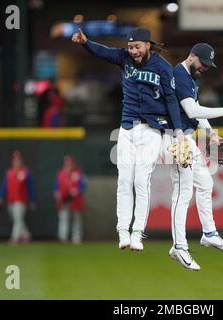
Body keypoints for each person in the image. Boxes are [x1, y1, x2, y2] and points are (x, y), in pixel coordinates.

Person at [72, 27, 185, 251]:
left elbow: (171, 99)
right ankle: (123, 230)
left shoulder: (162, 67)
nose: (132, 51)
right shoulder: (124, 58)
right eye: (130, 47)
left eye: (136, 46)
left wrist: (179, 131)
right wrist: (86, 42)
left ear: (147, 45)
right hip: (126, 128)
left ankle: (137, 233)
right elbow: (103, 52)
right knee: (124, 180)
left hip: (152, 130)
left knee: (141, 181)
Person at [169, 43, 223, 270]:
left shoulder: (191, 77)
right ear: (192, 56)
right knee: (182, 194)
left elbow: (196, 109)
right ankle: (179, 246)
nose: (205, 67)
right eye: (203, 63)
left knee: (205, 182)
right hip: (174, 138)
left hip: (186, 138)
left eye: (208, 65)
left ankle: (209, 233)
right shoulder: (180, 75)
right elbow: (191, 111)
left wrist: (210, 133)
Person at [0, 151, 35, 244]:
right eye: (14, 160)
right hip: (11, 199)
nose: (16, 162)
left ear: (22, 161)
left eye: (18, 160)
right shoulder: (9, 172)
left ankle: (15, 238)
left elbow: (31, 188)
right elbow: (4, 186)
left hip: (21, 200)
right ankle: (26, 235)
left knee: (18, 218)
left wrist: (32, 200)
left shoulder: (26, 172)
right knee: (16, 219)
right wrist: (0, 196)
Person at [54, 155, 87, 244]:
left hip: (75, 200)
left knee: (76, 219)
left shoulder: (78, 173)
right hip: (64, 200)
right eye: (66, 163)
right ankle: (63, 237)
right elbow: (56, 187)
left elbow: (83, 185)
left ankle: (77, 238)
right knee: (63, 218)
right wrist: (57, 194)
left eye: (70, 163)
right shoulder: (60, 174)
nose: (68, 165)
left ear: (73, 164)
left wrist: (78, 190)